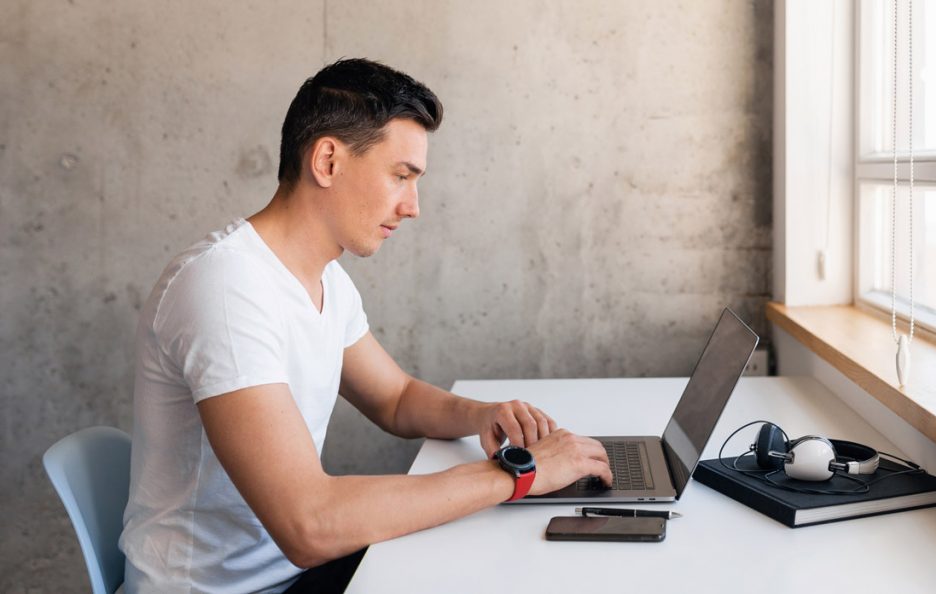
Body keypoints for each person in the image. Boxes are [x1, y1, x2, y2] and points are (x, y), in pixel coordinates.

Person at [120, 58, 613, 593]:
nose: (413, 207)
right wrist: (521, 472)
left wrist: (485, 416)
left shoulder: (323, 278)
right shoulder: (224, 288)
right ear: (327, 161)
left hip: (291, 576)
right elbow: (309, 525)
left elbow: (395, 399)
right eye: (401, 176)